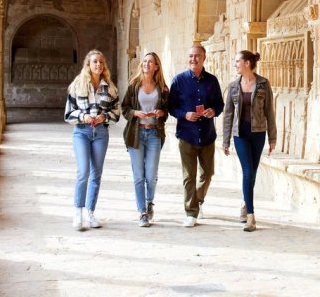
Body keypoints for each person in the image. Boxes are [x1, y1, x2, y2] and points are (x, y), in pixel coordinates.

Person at [168, 44, 224, 227]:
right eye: (191, 56)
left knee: (207, 174)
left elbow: (220, 104)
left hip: (207, 135)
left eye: (197, 56)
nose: (194, 59)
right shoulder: (178, 81)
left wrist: (212, 111)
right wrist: (185, 114)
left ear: (204, 58)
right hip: (187, 135)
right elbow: (171, 107)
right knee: (188, 176)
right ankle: (191, 212)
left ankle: (197, 201)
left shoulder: (212, 81)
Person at [64, 49, 120, 231]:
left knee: (96, 173)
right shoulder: (77, 86)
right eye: (95, 62)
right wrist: (83, 117)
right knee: (83, 172)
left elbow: (116, 112)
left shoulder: (110, 88)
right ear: (88, 65)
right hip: (82, 132)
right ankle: (78, 212)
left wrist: (105, 117)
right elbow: (68, 113)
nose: (98, 65)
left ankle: (90, 213)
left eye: (101, 62)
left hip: (101, 134)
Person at [222, 50, 276, 232]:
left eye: (238, 61)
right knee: (247, 171)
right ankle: (251, 216)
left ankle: (245, 203)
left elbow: (269, 111)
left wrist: (273, 138)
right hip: (240, 134)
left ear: (247, 63)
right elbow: (228, 114)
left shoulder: (263, 84)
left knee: (252, 172)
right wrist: (226, 140)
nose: (235, 64)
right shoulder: (233, 86)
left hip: (258, 133)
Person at [121, 52, 169, 227]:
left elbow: (166, 111)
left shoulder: (163, 87)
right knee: (138, 175)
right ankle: (142, 212)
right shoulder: (134, 85)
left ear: (156, 66)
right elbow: (124, 107)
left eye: (151, 62)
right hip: (136, 134)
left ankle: (150, 202)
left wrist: (161, 113)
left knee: (151, 175)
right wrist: (135, 113)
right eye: (145, 62)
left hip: (154, 134)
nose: (147, 64)